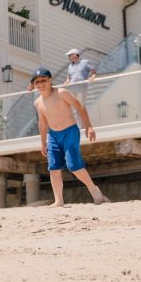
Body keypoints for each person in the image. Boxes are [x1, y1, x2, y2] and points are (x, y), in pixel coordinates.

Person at [31, 67, 108, 207]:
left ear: (50, 80)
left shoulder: (62, 93)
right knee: (53, 168)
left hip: (70, 132)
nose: (41, 84)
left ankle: (95, 191)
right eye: (37, 82)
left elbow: (80, 107)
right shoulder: (38, 102)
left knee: (74, 167)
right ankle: (59, 201)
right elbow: (42, 123)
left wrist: (89, 126)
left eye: (43, 80)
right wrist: (43, 143)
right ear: (34, 84)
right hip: (53, 136)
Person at [62, 49, 96, 122]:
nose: (69, 57)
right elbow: (68, 77)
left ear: (75, 55)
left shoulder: (85, 62)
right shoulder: (70, 66)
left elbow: (93, 72)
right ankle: (76, 125)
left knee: (80, 107)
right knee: (72, 106)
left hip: (82, 88)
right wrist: (66, 82)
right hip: (72, 88)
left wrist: (92, 77)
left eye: (70, 55)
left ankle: (82, 126)